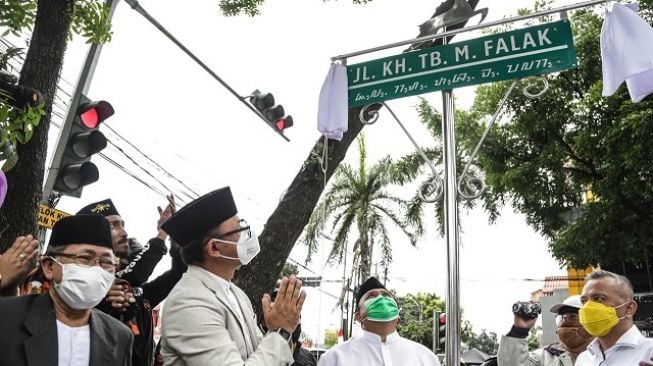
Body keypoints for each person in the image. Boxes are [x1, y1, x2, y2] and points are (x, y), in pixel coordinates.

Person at [159, 186, 306, 365]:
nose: (247, 234)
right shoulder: (187, 302)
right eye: (238, 230)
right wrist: (281, 331)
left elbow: (261, 355)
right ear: (214, 248)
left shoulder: (237, 294)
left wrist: (276, 330)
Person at [0, 214, 133, 366]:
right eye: (85, 258)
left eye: (106, 262)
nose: (97, 270)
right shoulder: (6, 315)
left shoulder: (120, 336)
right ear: (49, 267)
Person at [78, 197, 186, 366]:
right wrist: (162, 233)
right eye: (112, 226)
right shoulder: (91, 289)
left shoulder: (142, 295)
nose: (123, 232)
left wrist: (177, 240)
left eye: (122, 224)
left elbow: (177, 274)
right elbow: (134, 275)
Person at [318, 276, 441, 366]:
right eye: (371, 296)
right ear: (358, 316)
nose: (381, 299)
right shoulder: (335, 359)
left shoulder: (426, 359)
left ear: (398, 316)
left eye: (386, 296)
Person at [575, 270, 653, 365]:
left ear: (629, 308)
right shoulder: (584, 359)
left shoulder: (649, 352)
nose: (588, 307)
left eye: (599, 298)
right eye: (584, 301)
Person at [497, 295, 594, 366]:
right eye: (561, 318)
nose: (565, 322)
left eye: (573, 317)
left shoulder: (606, 354)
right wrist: (519, 330)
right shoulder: (545, 358)